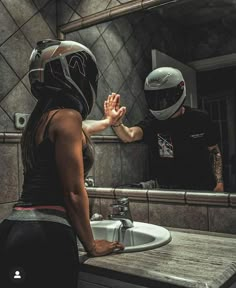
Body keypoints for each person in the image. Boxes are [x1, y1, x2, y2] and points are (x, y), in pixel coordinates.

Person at [0, 39, 124, 288]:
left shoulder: (41, 120)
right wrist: (91, 245)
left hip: (12, 230)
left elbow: (82, 129)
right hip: (46, 237)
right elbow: (73, 192)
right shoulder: (68, 117)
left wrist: (108, 122)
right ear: (74, 73)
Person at [100, 67, 224, 192]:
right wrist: (116, 122)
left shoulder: (200, 119)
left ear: (178, 91)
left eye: (164, 97)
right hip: (169, 191)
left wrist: (219, 182)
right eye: (155, 97)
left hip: (202, 187)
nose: (160, 102)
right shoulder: (153, 121)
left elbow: (214, 152)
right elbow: (129, 135)